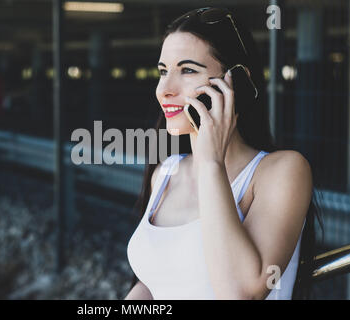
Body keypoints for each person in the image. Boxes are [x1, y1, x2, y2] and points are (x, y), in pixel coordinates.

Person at [125, 7, 322, 300]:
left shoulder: (283, 171)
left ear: (237, 82)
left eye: (188, 70)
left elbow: (241, 292)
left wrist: (210, 162)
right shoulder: (166, 172)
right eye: (163, 71)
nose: (164, 89)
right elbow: (151, 285)